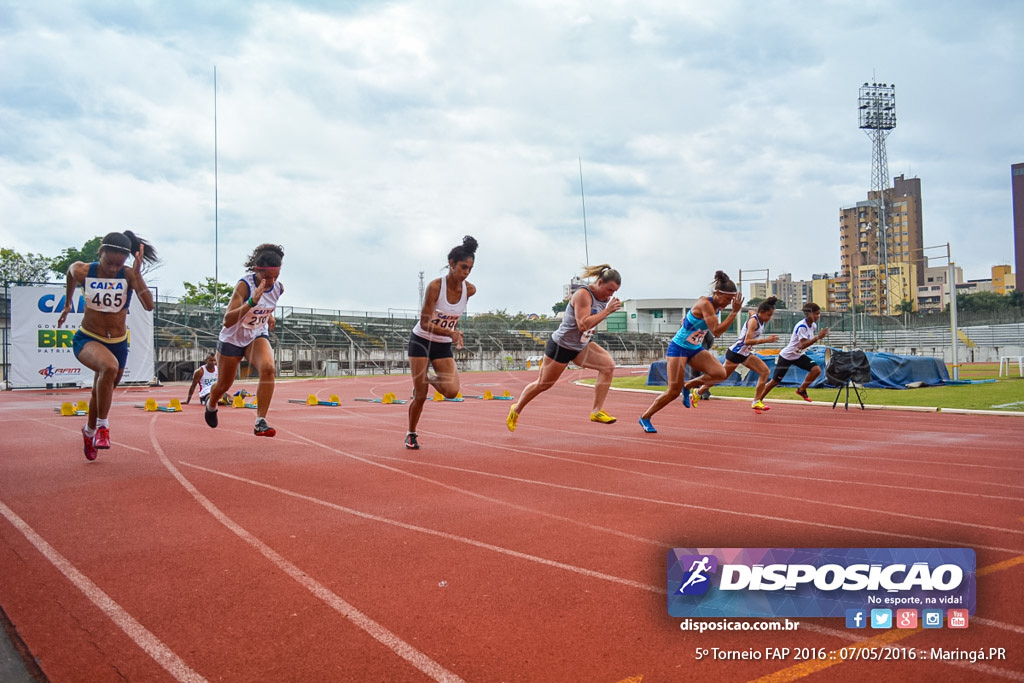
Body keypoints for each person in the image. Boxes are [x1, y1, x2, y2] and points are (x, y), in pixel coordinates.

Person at [56, 230, 158, 461]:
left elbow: (149, 305)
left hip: (118, 343)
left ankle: (89, 431)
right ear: (100, 253)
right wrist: (68, 302)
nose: (113, 269)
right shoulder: (84, 270)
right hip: (89, 338)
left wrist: (138, 273)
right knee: (109, 368)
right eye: (109, 263)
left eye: (118, 264)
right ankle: (103, 426)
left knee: (100, 392)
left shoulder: (129, 274)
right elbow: (70, 274)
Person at [506, 265, 622, 432]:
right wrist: (607, 312)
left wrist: (599, 318)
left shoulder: (604, 300)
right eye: (609, 289)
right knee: (543, 384)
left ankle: (596, 411)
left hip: (581, 346)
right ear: (600, 282)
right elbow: (583, 324)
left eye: (614, 292)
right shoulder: (583, 294)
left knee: (608, 366)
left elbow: (589, 324)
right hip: (561, 346)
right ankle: (515, 409)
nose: (611, 294)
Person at [638, 271, 742, 433]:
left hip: (694, 349)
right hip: (678, 348)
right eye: (728, 299)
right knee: (672, 391)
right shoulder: (705, 304)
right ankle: (645, 417)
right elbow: (716, 331)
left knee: (720, 373)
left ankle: (688, 386)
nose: (729, 303)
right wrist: (734, 312)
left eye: (731, 300)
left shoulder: (717, 306)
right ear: (717, 293)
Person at [203, 244, 284, 436]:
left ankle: (260, 421)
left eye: (276, 276)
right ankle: (211, 403)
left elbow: (267, 305)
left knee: (268, 368)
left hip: (255, 336)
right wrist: (251, 303)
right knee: (224, 385)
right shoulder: (244, 286)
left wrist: (268, 316)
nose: (272, 281)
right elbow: (227, 320)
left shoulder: (278, 289)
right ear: (257, 271)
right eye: (267, 277)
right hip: (232, 339)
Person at [406, 236, 478, 450]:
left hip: (441, 345)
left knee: (452, 391)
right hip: (421, 341)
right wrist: (452, 333)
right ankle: (411, 433)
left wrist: (452, 334)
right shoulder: (435, 287)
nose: (465, 273)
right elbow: (425, 321)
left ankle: (423, 377)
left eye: (470, 269)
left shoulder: (470, 290)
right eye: (463, 267)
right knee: (420, 395)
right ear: (451, 263)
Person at [684, 296, 780, 412]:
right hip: (736, 353)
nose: (770, 318)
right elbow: (747, 341)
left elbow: (752, 312)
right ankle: (698, 391)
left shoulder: (759, 318)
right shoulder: (754, 322)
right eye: (769, 315)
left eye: (771, 315)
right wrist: (767, 340)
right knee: (720, 377)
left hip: (744, 353)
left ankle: (756, 402)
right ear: (762, 312)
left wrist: (751, 312)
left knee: (765, 371)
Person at [760, 302, 830, 405]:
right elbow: (802, 345)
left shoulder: (813, 325)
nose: (818, 316)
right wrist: (818, 337)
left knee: (816, 370)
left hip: (798, 355)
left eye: (819, 314)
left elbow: (802, 347)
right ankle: (758, 400)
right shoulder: (802, 326)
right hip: (787, 356)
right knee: (775, 381)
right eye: (816, 314)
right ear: (809, 314)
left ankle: (801, 390)